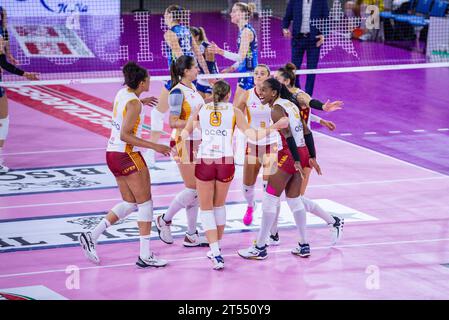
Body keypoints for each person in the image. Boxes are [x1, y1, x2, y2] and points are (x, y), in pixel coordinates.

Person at [181, 80, 288, 269]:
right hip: (225, 162)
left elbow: (184, 135)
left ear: (213, 93)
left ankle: (215, 252)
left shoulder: (200, 109)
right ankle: (218, 247)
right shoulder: (234, 111)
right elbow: (254, 136)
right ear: (228, 95)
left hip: (205, 161)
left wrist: (200, 138)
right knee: (219, 206)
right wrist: (275, 127)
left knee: (206, 209)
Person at [78, 62, 171, 268]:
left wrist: (141, 100)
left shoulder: (125, 94)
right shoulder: (134, 104)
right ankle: (145, 255)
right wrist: (155, 146)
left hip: (112, 154)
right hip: (127, 154)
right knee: (146, 203)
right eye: (147, 79)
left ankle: (92, 235)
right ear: (140, 82)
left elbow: (127, 108)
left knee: (130, 203)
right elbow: (126, 134)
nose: (149, 80)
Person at [238, 78, 342, 260]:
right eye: (259, 90)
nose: (260, 93)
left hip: (289, 154)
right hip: (301, 153)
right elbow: (306, 130)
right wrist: (311, 157)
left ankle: (260, 247)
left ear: (274, 92)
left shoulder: (276, 109)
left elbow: (289, 137)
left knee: (270, 199)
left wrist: (294, 160)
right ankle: (303, 244)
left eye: (264, 90)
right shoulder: (291, 104)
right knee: (294, 200)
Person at [144, 4, 210, 168]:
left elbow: (180, 56)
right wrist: (208, 75)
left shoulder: (170, 33)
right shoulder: (188, 31)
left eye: (165, 15)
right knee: (186, 116)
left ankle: (150, 154)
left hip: (178, 79)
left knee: (158, 114)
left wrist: (181, 76)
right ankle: (190, 150)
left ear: (169, 16)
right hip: (190, 79)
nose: (164, 18)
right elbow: (198, 56)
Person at [154, 55, 208, 248]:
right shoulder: (177, 92)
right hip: (182, 141)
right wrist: (197, 120)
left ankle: (191, 234)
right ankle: (164, 219)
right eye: (195, 68)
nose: (198, 70)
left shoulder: (193, 88)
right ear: (185, 71)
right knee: (194, 188)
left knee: (197, 190)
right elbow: (173, 122)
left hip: (196, 140)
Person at [210, 2, 258, 165]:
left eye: (234, 11)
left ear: (243, 14)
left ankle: (236, 154)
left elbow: (241, 56)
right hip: (245, 75)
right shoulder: (243, 31)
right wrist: (231, 69)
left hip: (249, 77)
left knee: (237, 115)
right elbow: (243, 59)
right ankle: (235, 153)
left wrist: (220, 52)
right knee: (239, 115)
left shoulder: (246, 32)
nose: (231, 14)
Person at [232, 64, 279, 226]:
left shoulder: (275, 96)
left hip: (271, 143)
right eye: (256, 73)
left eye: (262, 73)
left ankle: (271, 227)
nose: (258, 76)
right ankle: (251, 205)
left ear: (268, 76)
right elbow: (233, 115)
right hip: (252, 144)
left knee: (268, 187)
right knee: (247, 186)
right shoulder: (246, 95)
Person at [0, 7, 39, 173]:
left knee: (3, 119)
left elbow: (3, 61)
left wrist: (7, 54)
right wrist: (25, 74)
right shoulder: (1, 33)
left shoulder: (3, 31)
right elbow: (3, 64)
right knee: (3, 120)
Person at [282, 0, 329, 95]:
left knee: (311, 70)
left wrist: (324, 34)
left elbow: (326, 19)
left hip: (314, 41)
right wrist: (285, 28)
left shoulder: (322, 1)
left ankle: (308, 98)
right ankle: (297, 94)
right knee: (294, 70)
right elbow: (287, 16)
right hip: (297, 39)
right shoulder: (294, 1)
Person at [190, 26, 219, 100]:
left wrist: (209, 77)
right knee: (200, 103)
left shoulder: (206, 46)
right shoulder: (190, 48)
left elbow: (210, 64)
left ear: (196, 37)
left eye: (190, 37)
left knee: (209, 104)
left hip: (210, 78)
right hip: (201, 79)